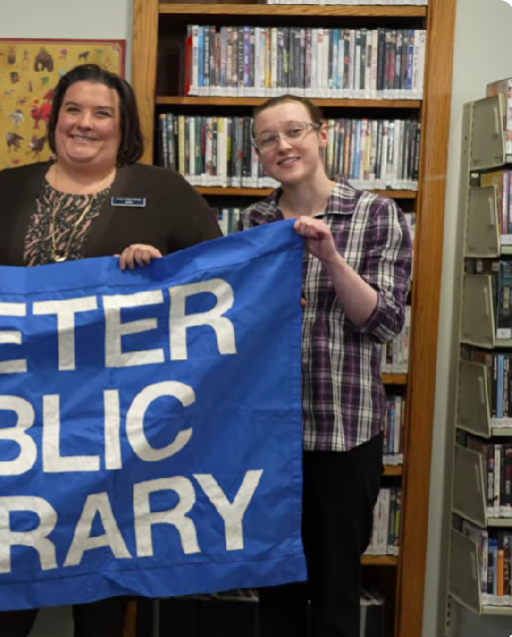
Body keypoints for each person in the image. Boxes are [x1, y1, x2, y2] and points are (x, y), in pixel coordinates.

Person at [0, 63, 222, 637]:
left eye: (103, 114)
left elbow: (219, 287)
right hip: (12, 426)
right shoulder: (6, 189)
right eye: (74, 109)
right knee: (8, 588)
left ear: (124, 130)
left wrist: (161, 274)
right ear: (54, 118)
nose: (85, 124)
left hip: (113, 429)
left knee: (101, 586)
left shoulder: (163, 193)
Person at [239, 94, 412, 637]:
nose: (283, 146)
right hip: (272, 441)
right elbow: (236, 326)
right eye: (268, 139)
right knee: (277, 598)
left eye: (293, 131)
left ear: (321, 134)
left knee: (336, 596)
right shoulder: (255, 220)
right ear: (259, 153)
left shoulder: (377, 213)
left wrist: (332, 259)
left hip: (343, 437)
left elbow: (383, 322)